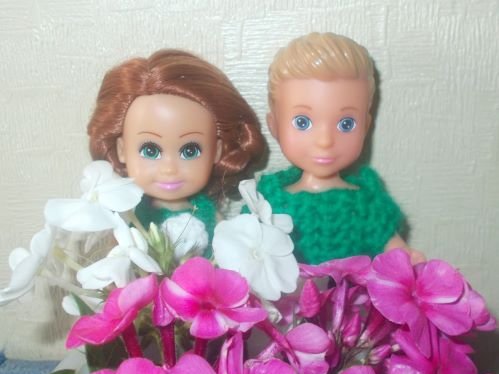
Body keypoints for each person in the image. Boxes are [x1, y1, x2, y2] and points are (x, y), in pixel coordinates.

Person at [258, 32, 424, 265]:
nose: (325, 141)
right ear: (274, 125)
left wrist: (408, 259)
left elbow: (390, 245)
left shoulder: (366, 202)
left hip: (355, 290)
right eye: (302, 122)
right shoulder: (267, 204)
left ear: (365, 126)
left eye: (346, 124)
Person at [87, 49, 265, 249]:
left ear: (216, 151)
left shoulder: (208, 214)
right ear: (122, 150)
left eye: (190, 151)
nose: (169, 168)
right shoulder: (131, 215)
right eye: (150, 151)